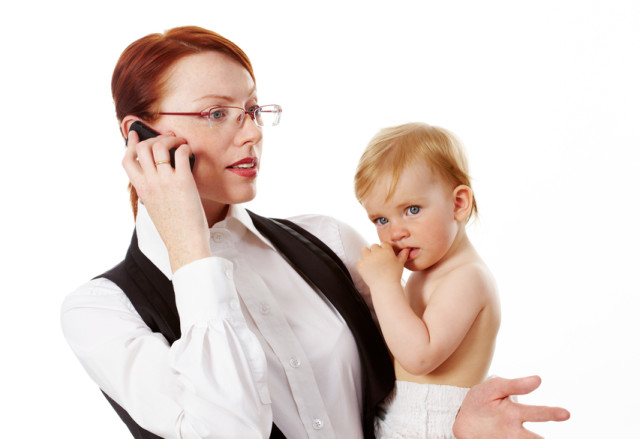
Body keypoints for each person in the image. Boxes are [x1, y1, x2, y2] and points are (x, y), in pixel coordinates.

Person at [60, 26, 570, 439]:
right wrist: (191, 251)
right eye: (217, 113)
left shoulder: (329, 241)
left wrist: (454, 420)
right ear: (139, 135)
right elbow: (227, 431)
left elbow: (408, 387)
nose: (254, 132)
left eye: (253, 110)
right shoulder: (100, 311)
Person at [354, 123, 499, 438]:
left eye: (412, 210)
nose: (396, 232)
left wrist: (383, 285)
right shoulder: (425, 275)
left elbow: (420, 357)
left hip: (435, 427)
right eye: (382, 219)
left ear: (459, 204)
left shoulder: (467, 277)